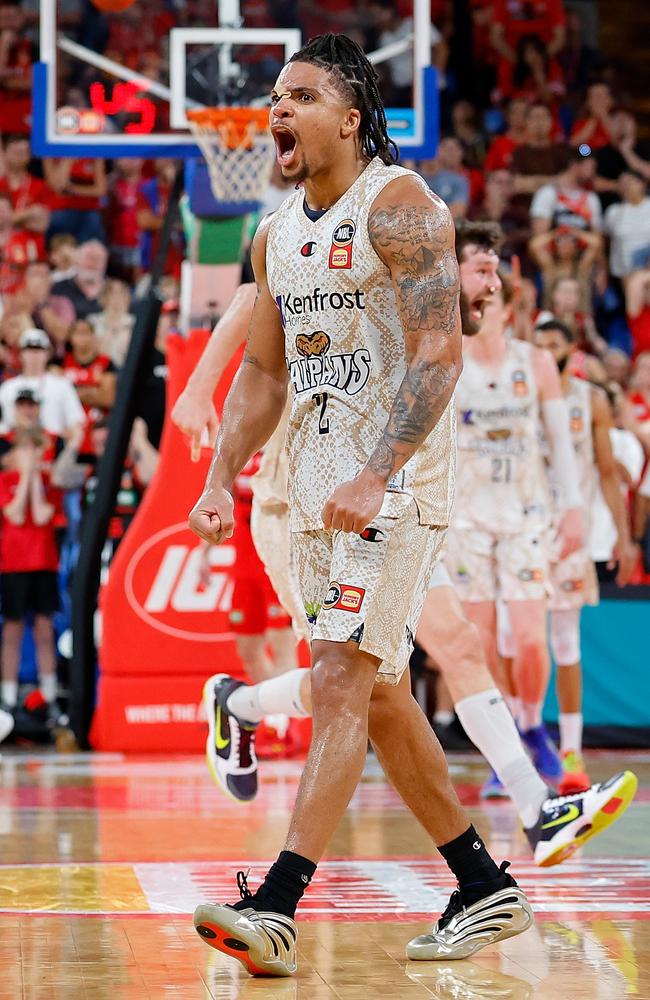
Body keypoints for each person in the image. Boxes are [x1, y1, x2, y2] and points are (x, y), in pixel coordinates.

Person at [188, 33, 534, 974]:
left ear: (350, 116)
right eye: (274, 96)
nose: (277, 110)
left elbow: (438, 352)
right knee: (377, 693)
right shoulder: (276, 233)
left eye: (298, 95)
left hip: (394, 483)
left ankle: (279, 905)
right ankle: (483, 884)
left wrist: (378, 468)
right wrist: (221, 474)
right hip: (311, 489)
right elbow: (263, 373)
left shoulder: (405, 206)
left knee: (342, 672)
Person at [174, 228, 637, 867]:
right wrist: (200, 388)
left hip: (389, 509)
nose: (493, 289)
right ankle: (241, 705)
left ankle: (540, 812)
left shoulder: (446, 331)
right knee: (355, 683)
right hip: (297, 506)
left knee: (459, 645)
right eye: (482, 273)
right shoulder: (370, 278)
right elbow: (253, 297)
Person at [444, 271, 582, 789]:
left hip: (526, 513)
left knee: (529, 639)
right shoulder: (446, 359)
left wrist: (573, 506)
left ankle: (530, 723)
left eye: (492, 298)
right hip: (466, 518)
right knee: (479, 642)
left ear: (508, 307)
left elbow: (560, 443)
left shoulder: (536, 362)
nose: (483, 307)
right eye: (472, 300)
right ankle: (511, 755)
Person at [534, 319, 637, 791]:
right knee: (519, 644)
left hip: (571, 534)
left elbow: (607, 474)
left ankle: (571, 748)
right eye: (540, 342)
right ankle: (523, 739)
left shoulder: (590, 399)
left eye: (554, 343)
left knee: (566, 641)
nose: (546, 349)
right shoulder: (517, 391)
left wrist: (625, 535)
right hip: (524, 530)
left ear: (571, 349)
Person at [0, 426, 63, 721]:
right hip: (13, 564)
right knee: (12, 628)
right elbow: (13, 513)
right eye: (24, 450)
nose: (29, 455)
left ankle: (48, 695)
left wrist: (34, 476)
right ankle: (8, 696)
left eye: (34, 450)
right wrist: (25, 476)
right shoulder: (4, 481)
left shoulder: (50, 483)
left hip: (44, 563)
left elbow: (40, 514)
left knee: (44, 628)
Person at [0, 327, 85, 437]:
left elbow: (76, 427)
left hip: (52, 449)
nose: (34, 354)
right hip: (15, 448)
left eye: (39, 349)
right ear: (21, 354)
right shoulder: (8, 387)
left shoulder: (62, 385)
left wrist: (67, 453)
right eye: (29, 349)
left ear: (47, 353)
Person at [530, 148, 603, 236]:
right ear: (574, 165)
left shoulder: (591, 198)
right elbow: (539, 235)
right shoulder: (548, 193)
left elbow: (598, 238)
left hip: (583, 247)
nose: (593, 173)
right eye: (591, 167)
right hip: (553, 247)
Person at [603, 172, 650, 280]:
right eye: (622, 184)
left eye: (629, 182)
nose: (626, 187)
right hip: (624, 274)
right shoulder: (613, 212)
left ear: (642, 184)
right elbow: (607, 240)